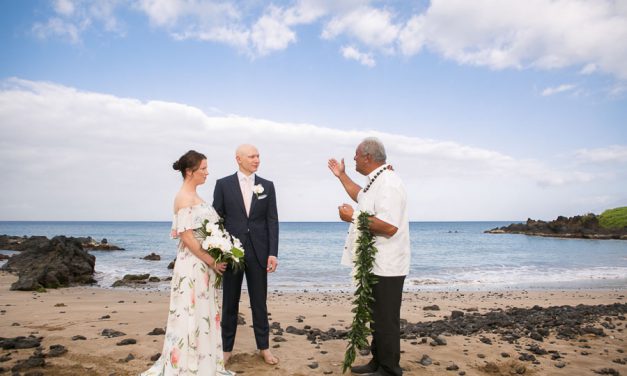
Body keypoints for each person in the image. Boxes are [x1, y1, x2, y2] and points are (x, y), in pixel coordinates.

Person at [141, 150, 234, 376]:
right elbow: (187, 237)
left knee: (205, 311)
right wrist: (212, 260)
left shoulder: (196, 196)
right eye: (203, 168)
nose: (207, 172)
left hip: (204, 266)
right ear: (189, 171)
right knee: (191, 311)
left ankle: (206, 363)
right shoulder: (183, 197)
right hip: (193, 266)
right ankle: (188, 365)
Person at [328, 137, 410, 376]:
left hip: (388, 264)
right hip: (375, 263)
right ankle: (378, 362)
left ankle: (389, 369)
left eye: (355, 155)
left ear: (367, 157)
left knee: (386, 319)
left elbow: (389, 226)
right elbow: (360, 196)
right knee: (376, 317)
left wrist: (353, 217)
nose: (352, 159)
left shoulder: (390, 184)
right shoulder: (377, 181)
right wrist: (341, 176)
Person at [213, 144, 279, 366]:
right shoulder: (223, 185)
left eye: (258, 155)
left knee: (259, 303)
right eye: (252, 156)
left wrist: (273, 253)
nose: (257, 159)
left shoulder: (267, 186)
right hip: (232, 253)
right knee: (229, 303)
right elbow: (217, 220)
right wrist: (219, 253)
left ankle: (264, 348)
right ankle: (226, 350)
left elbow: (272, 221)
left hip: (260, 252)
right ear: (238, 159)